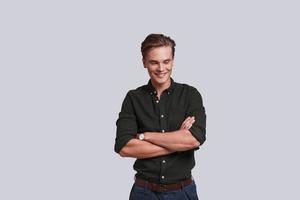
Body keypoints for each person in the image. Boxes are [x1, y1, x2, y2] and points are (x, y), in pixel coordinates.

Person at [114, 33, 206, 200]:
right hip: (143, 192)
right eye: (154, 62)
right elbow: (124, 148)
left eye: (166, 61)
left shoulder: (190, 95)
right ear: (144, 63)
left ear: (173, 60)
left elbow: (194, 139)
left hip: (183, 192)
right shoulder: (133, 98)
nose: (161, 68)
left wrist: (146, 136)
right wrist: (177, 142)